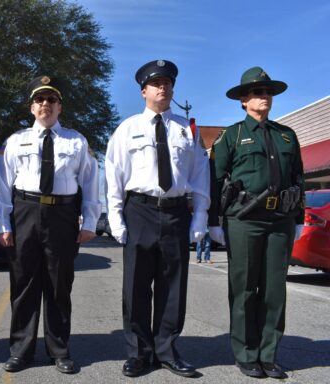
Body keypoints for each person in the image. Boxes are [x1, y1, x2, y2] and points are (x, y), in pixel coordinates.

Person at [105, 60, 210, 378]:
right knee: (136, 286)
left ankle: (166, 350)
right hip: (140, 210)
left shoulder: (187, 129)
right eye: (156, 83)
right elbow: (114, 173)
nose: (163, 87)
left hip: (177, 211)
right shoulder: (128, 129)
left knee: (173, 286)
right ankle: (138, 352)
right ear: (143, 91)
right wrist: (115, 216)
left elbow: (200, 174)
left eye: (167, 82)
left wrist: (201, 215)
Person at [0, 76, 100, 374]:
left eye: (51, 100)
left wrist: (90, 221)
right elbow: (3, 186)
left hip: (62, 215)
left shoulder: (76, 141)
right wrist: (3, 222)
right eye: (40, 100)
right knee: (24, 284)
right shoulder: (15, 141)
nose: (46, 105)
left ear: (60, 107)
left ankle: (59, 350)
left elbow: (90, 184)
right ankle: (20, 351)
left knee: (59, 285)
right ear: (32, 107)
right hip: (25, 211)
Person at [209, 67, 304, 379]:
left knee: (275, 290)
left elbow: (298, 179)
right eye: (257, 92)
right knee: (245, 288)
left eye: (268, 92)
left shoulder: (287, 135)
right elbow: (215, 179)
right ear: (243, 100)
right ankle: (246, 354)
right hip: (244, 220)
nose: (265, 97)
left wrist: (299, 219)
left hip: (281, 221)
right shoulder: (232, 135)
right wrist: (214, 222)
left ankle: (269, 354)